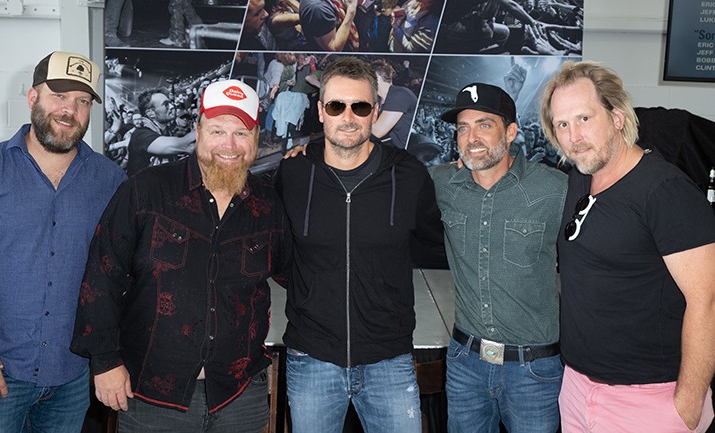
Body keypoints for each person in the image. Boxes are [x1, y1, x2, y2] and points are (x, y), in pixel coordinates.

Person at [69, 79, 291, 433]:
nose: (229, 145)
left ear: (256, 137)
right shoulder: (145, 190)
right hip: (153, 396)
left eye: (241, 133)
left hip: (239, 394)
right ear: (197, 130)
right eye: (217, 130)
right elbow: (102, 275)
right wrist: (105, 361)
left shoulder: (269, 203)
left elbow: (300, 273)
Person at [0, 51, 125, 433]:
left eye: (83, 101)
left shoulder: (111, 182)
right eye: (58, 96)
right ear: (32, 98)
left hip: (72, 375)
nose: (70, 110)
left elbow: (119, 274)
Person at [539, 60, 715, 433]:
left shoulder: (664, 190)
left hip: (649, 402)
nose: (574, 136)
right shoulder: (578, 180)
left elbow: (708, 301)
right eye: (562, 124)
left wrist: (687, 405)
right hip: (577, 390)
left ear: (617, 117)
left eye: (584, 118)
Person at [275, 56, 444, 433]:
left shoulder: (409, 174)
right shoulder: (294, 172)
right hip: (312, 357)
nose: (347, 117)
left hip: (389, 359)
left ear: (376, 111)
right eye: (336, 105)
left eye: (360, 106)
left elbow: (434, 243)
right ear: (320, 111)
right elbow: (277, 248)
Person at [430, 82, 567, 433]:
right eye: (463, 127)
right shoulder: (443, 183)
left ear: (510, 132)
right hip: (465, 364)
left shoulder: (555, 188)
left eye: (484, 125)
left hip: (534, 371)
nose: (471, 136)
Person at [126, 88, 196, 176]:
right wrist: (206, 127)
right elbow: (182, 145)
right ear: (151, 113)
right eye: (166, 104)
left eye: (170, 102)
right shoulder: (140, 135)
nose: (172, 106)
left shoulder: (166, 131)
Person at [370, 59, 417, 149]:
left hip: (405, 153)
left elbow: (377, 132)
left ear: (376, 78)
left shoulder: (399, 94)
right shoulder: (380, 99)